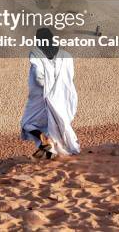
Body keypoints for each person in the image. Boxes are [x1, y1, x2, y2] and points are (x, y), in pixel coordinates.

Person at [20, 27, 80, 159]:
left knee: (27, 124)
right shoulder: (66, 56)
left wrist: (46, 89)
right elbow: (70, 76)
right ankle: (48, 150)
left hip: (41, 97)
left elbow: (37, 76)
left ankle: (45, 142)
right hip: (63, 97)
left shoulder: (36, 54)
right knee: (54, 125)